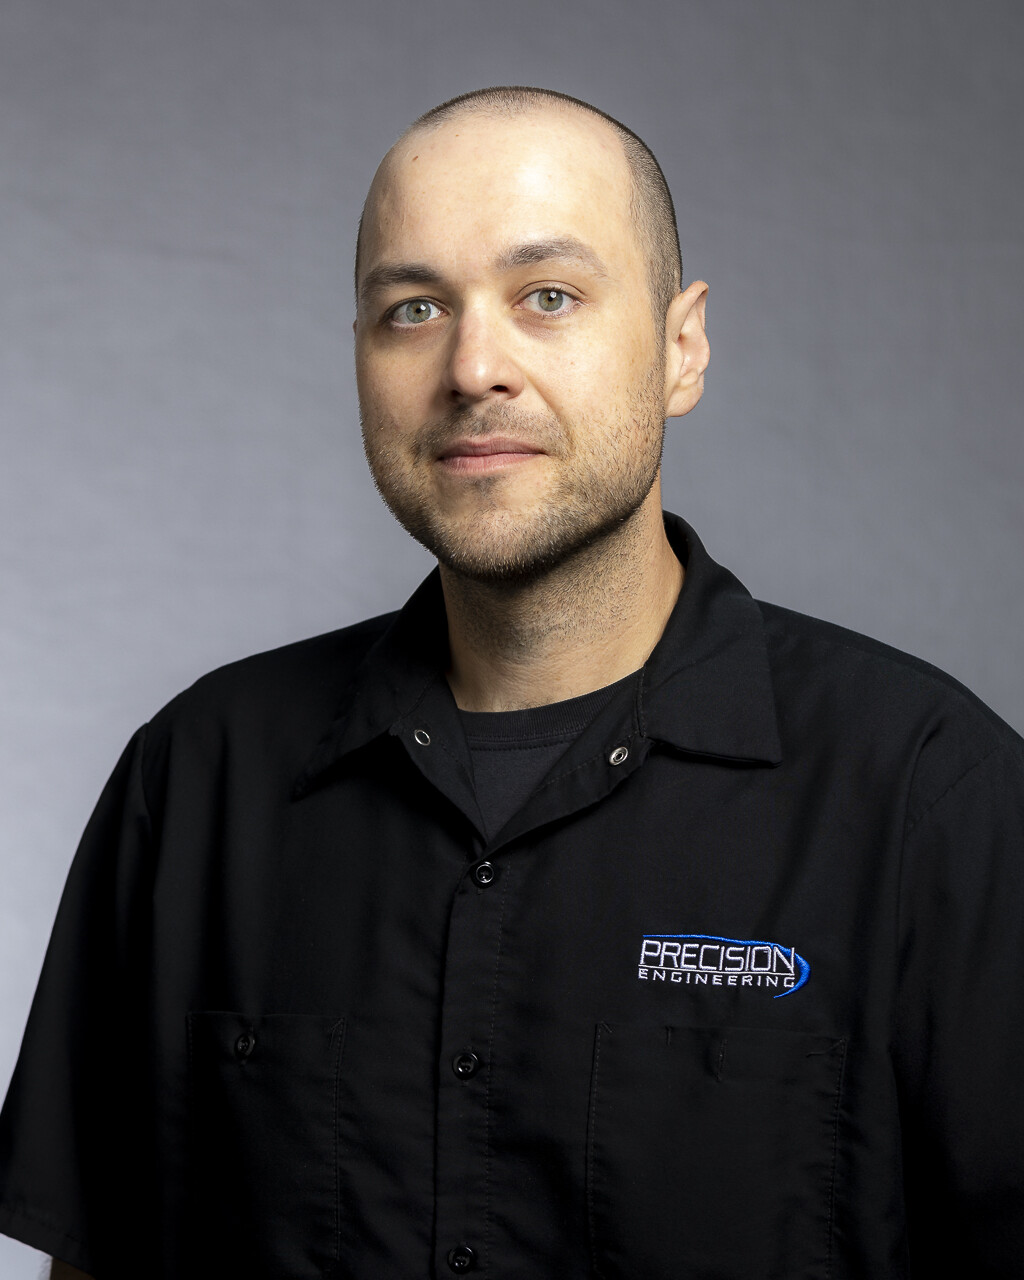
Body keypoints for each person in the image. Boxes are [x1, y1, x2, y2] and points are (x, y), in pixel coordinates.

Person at [1, 85, 1022, 1280]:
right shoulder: (196, 780)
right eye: (414, 308)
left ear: (680, 347)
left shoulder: (931, 797)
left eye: (548, 296)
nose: (473, 367)